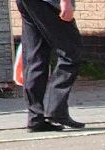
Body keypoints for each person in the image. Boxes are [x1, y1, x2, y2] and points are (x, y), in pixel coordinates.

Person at [17, 0, 85, 132]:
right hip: (48, 3)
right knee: (71, 52)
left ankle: (36, 117)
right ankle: (55, 109)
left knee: (36, 56)